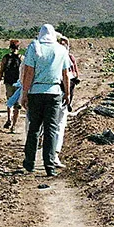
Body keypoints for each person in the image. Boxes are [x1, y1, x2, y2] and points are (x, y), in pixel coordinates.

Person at [20, 24, 71, 177]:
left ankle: (29, 162)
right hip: (54, 92)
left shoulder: (34, 47)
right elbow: (65, 74)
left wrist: (25, 93)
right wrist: (67, 94)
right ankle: (49, 166)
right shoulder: (61, 50)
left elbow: (29, 72)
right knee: (51, 129)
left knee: (34, 127)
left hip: (36, 92)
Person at [50, 35, 80, 168]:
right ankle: (51, 154)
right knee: (56, 124)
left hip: (59, 94)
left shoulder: (67, 57)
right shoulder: (57, 57)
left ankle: (53, 154)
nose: (64, 46)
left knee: (58, 124)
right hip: (56, 93)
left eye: (66, 44)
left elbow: (74, 75)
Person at [0, 39, 24, 132]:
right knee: (17, 105)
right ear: (18, 47)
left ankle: (9, 119)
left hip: (9, 83)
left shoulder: (6, 58)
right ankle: (13, 125)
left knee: (10, 102)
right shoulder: (22, 58)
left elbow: (1, 71)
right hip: (19, 84)